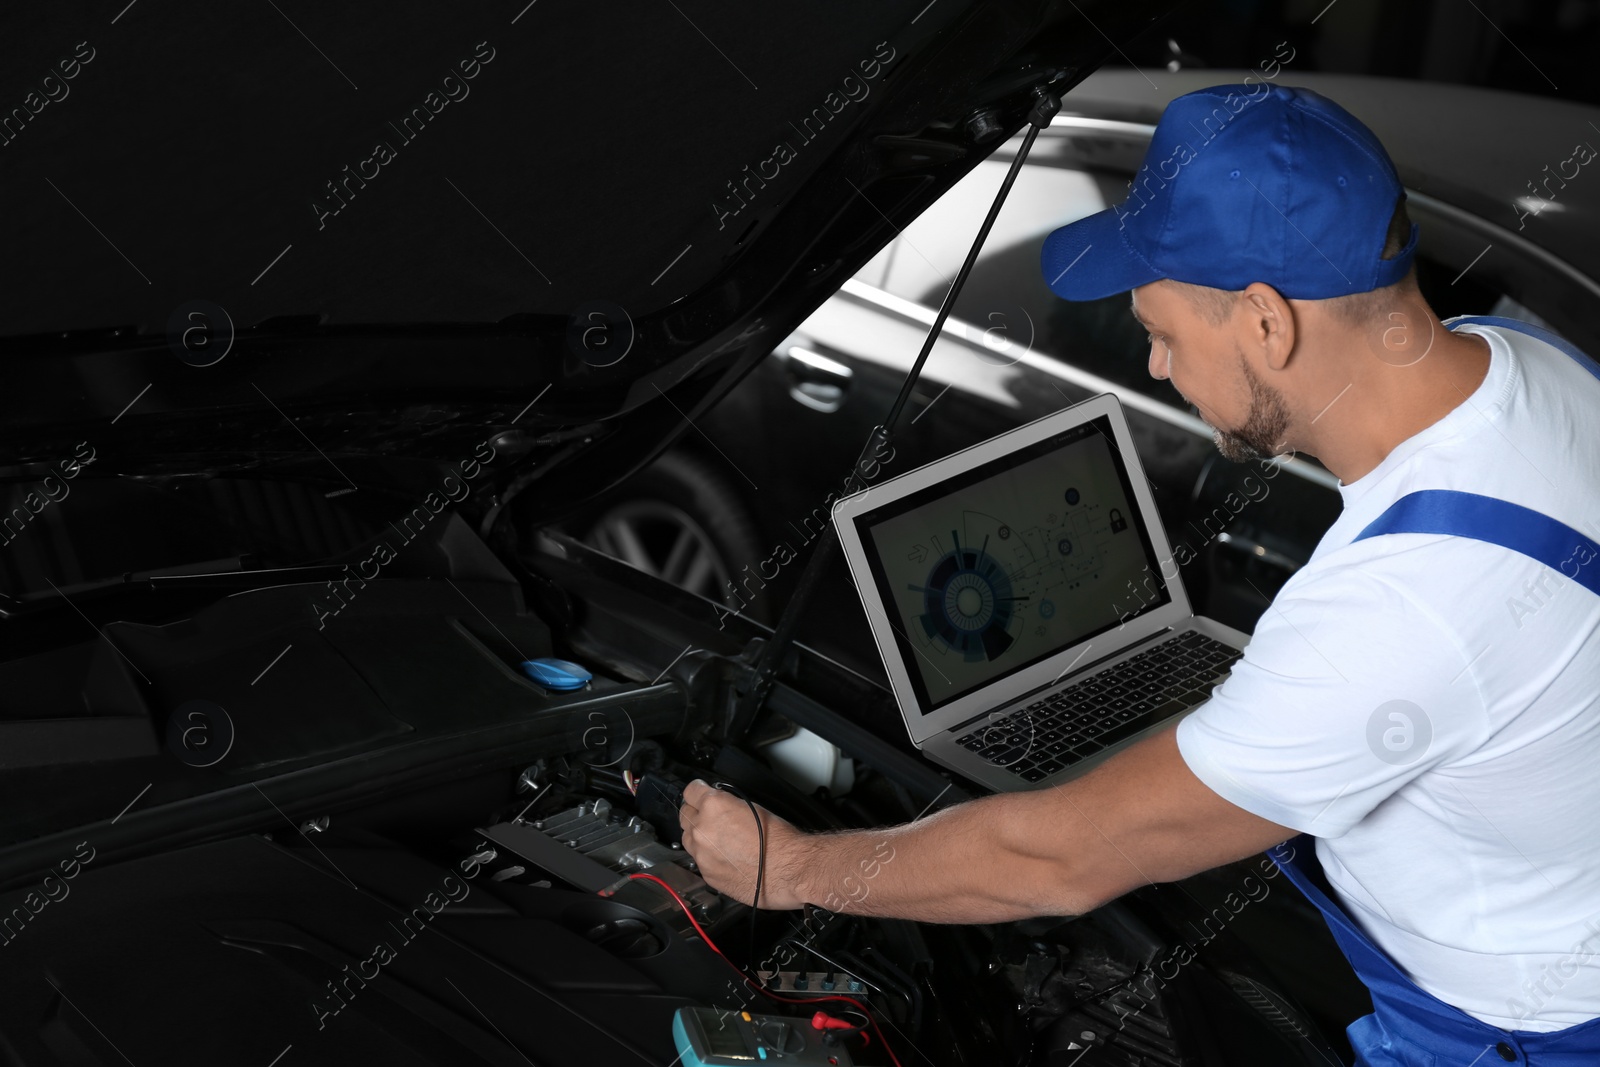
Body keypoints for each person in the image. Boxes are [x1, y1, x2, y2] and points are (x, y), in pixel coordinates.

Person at [680, 83, 1600, 1065]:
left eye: (1159, 332)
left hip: (1508, 1035)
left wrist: (794, 868)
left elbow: (1059, 857)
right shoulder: (1533, 363)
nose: (1156, 366)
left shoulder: (1401, 609)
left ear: (1263, 322)